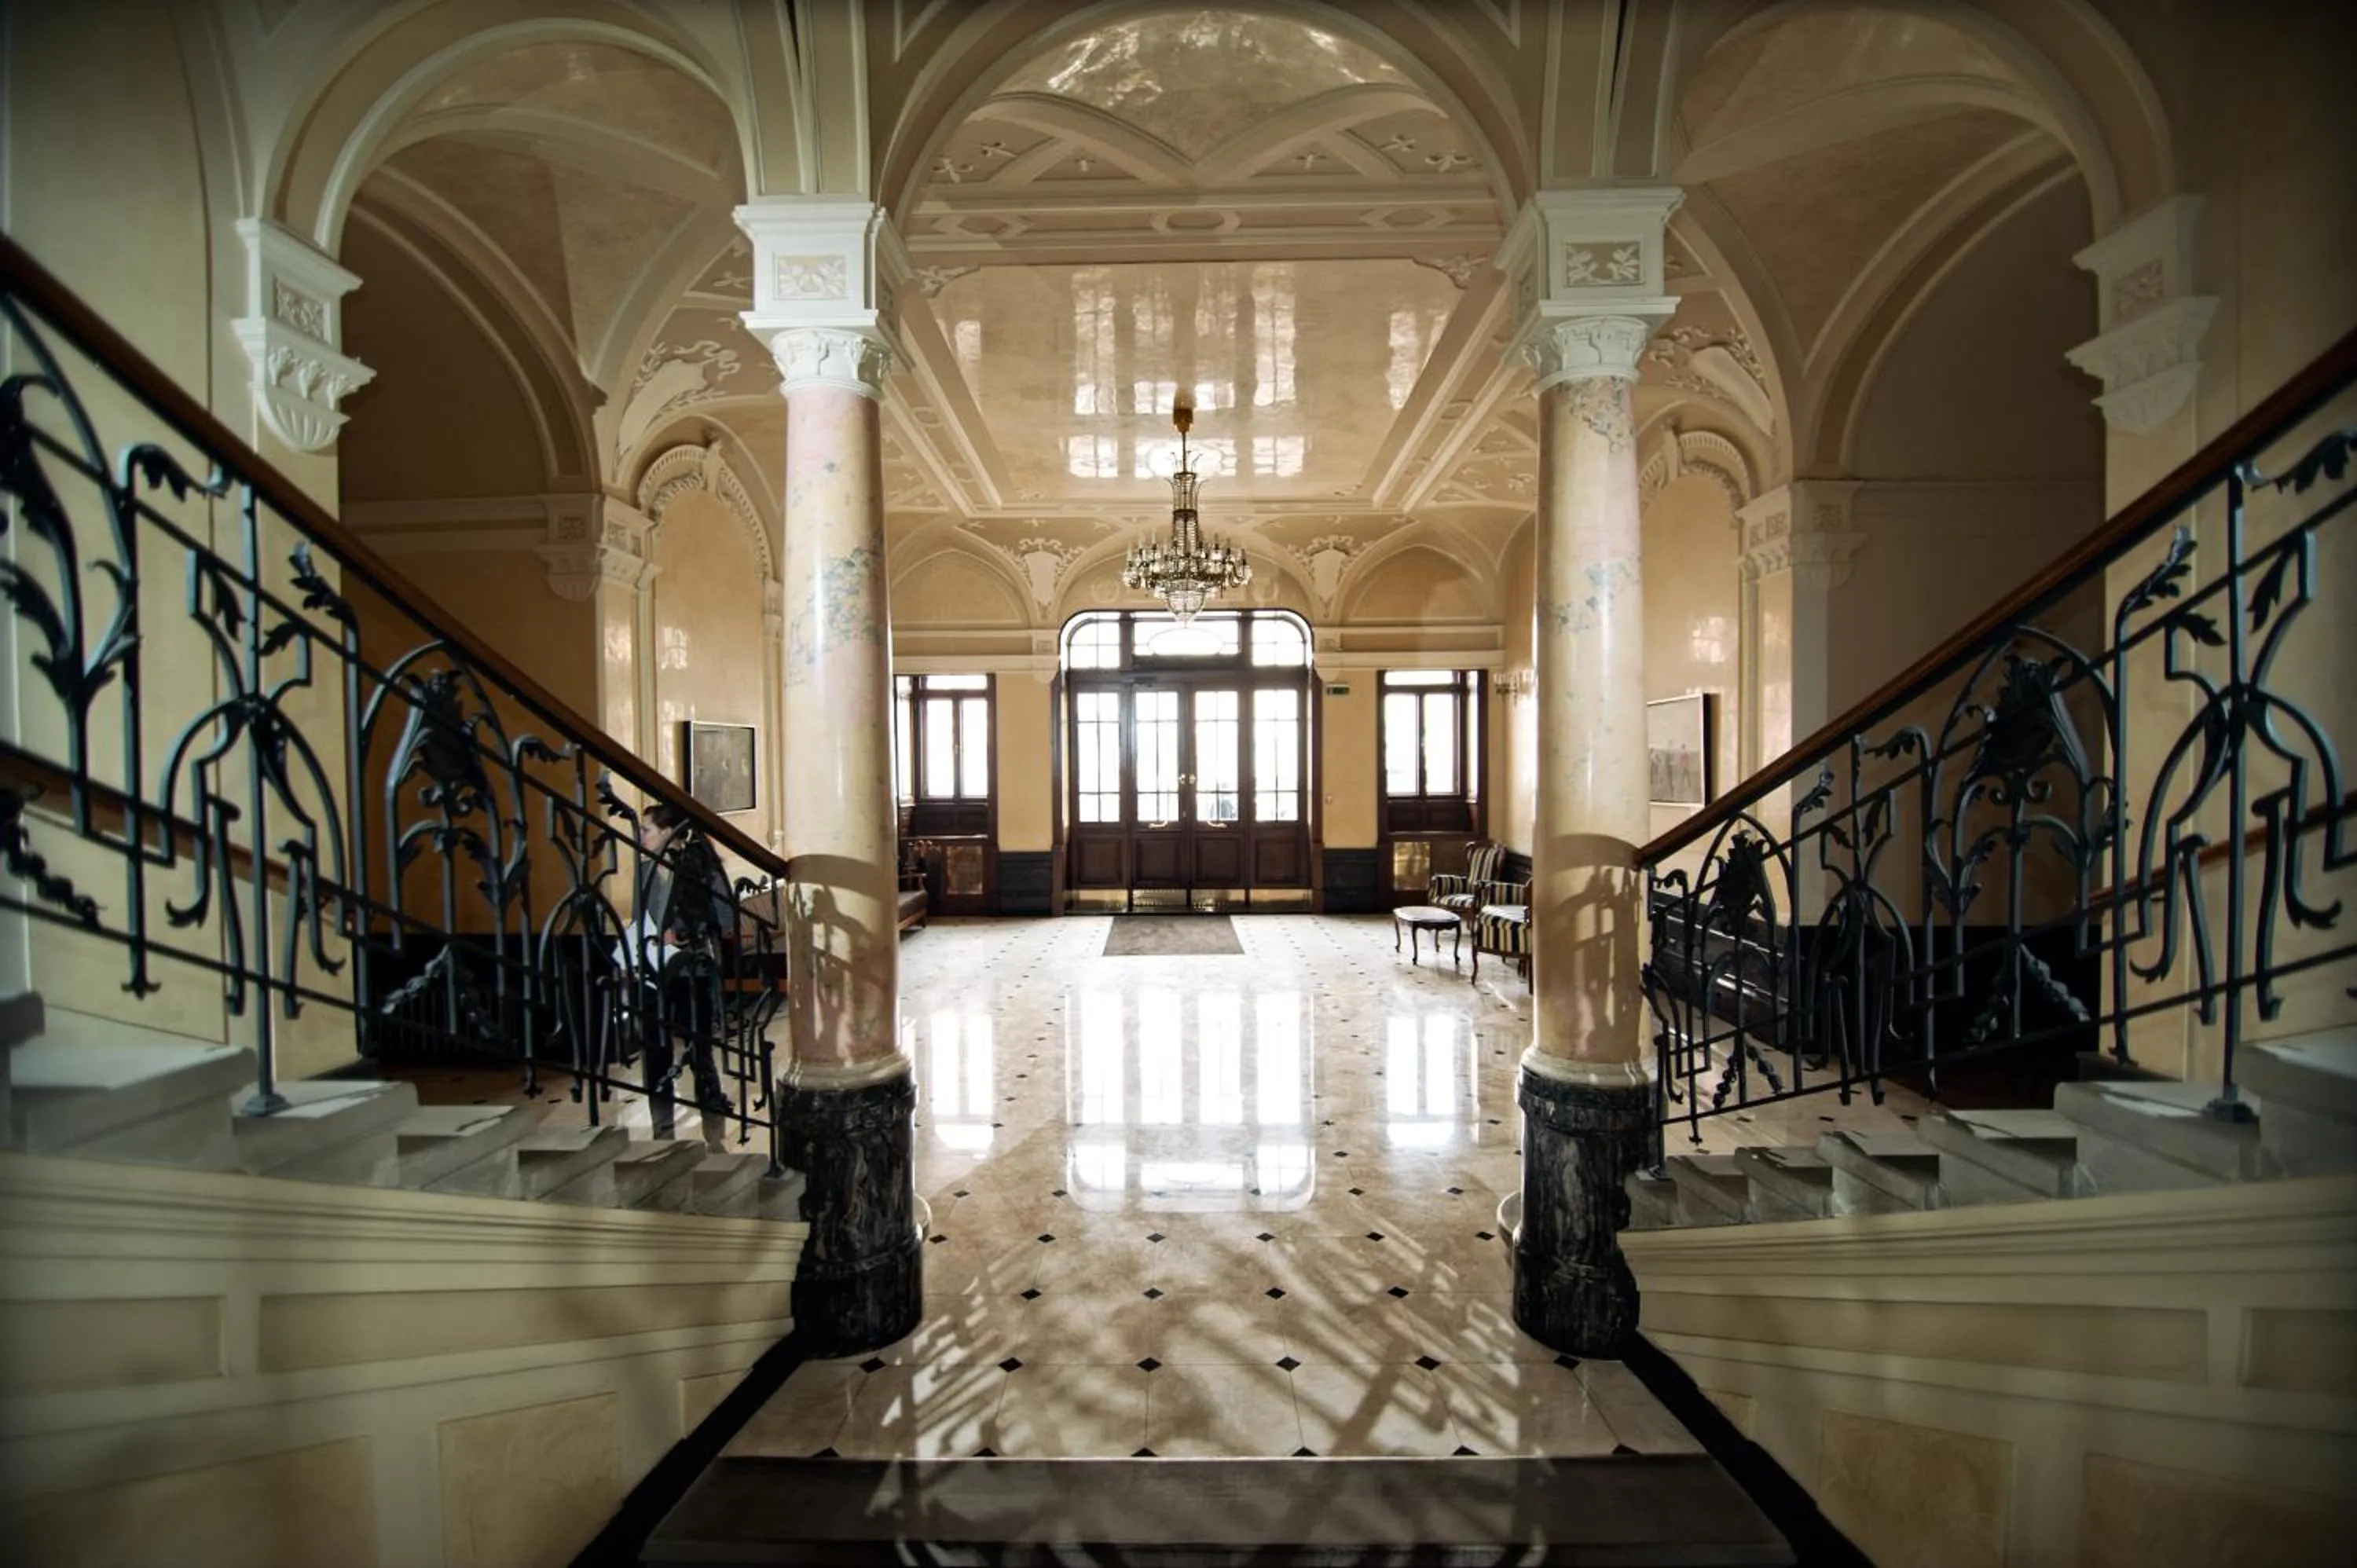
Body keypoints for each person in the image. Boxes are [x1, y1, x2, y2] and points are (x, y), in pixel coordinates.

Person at [623, 803, 736, 1116]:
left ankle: (709, 1098)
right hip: (653, 968)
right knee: (654, 1041)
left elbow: (726, 917)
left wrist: (685, 936)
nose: (640, 836)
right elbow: (639, 916)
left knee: (698, 1041)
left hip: (691, 968)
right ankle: (660, 1105)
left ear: (667, 832)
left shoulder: (703, 869)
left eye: (646, 830)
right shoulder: (645, 871)